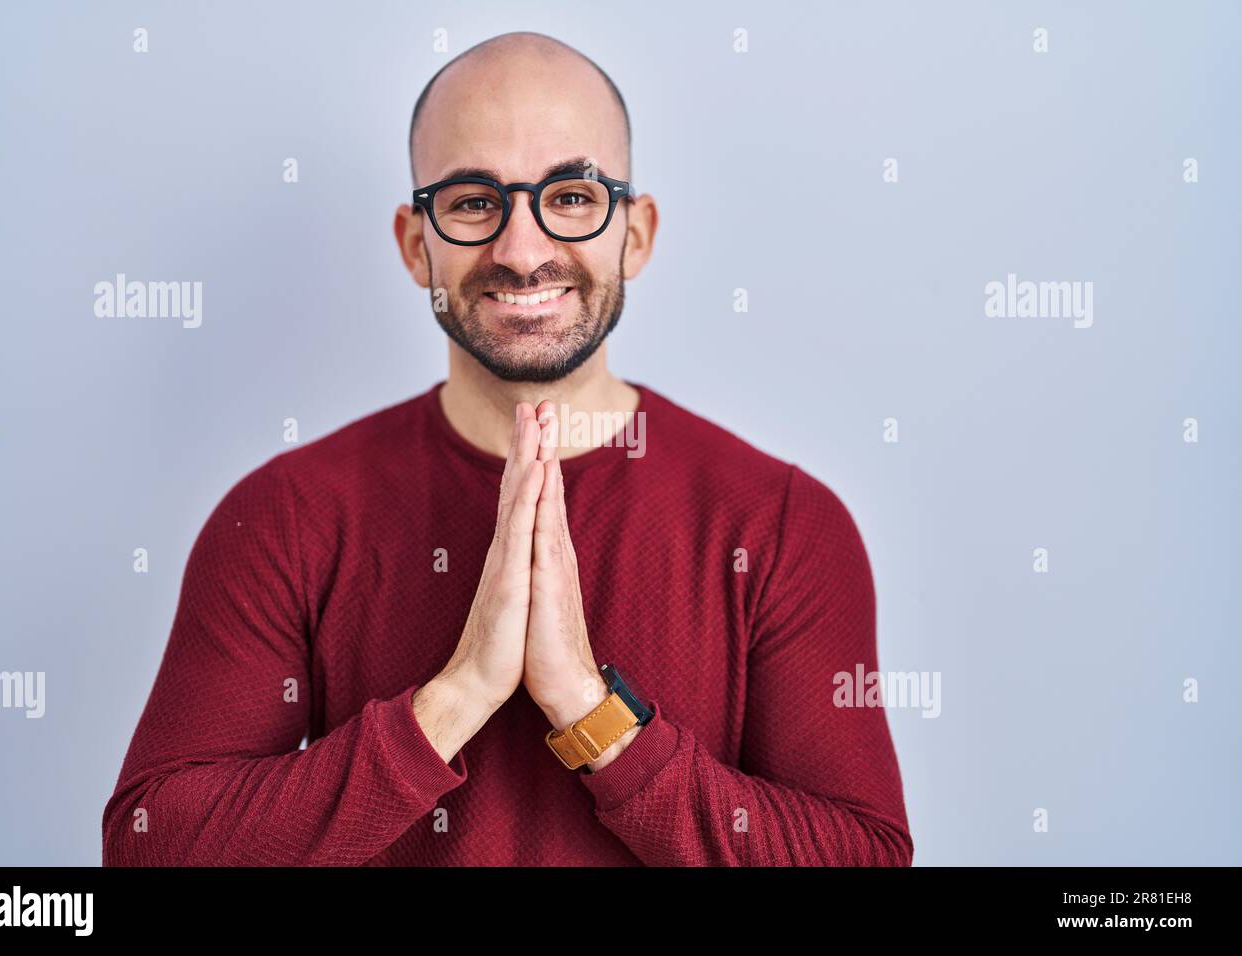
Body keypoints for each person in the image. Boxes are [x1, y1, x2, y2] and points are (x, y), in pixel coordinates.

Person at [102, 30, 913, 866]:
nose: (523, 252)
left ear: (636, 234)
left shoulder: (783, 524)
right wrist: (455, 698)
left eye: (571, 195)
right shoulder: (284, 515)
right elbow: (150, 846)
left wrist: (587, 710)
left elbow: (865, 856)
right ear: (417, 245)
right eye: (472, 201)